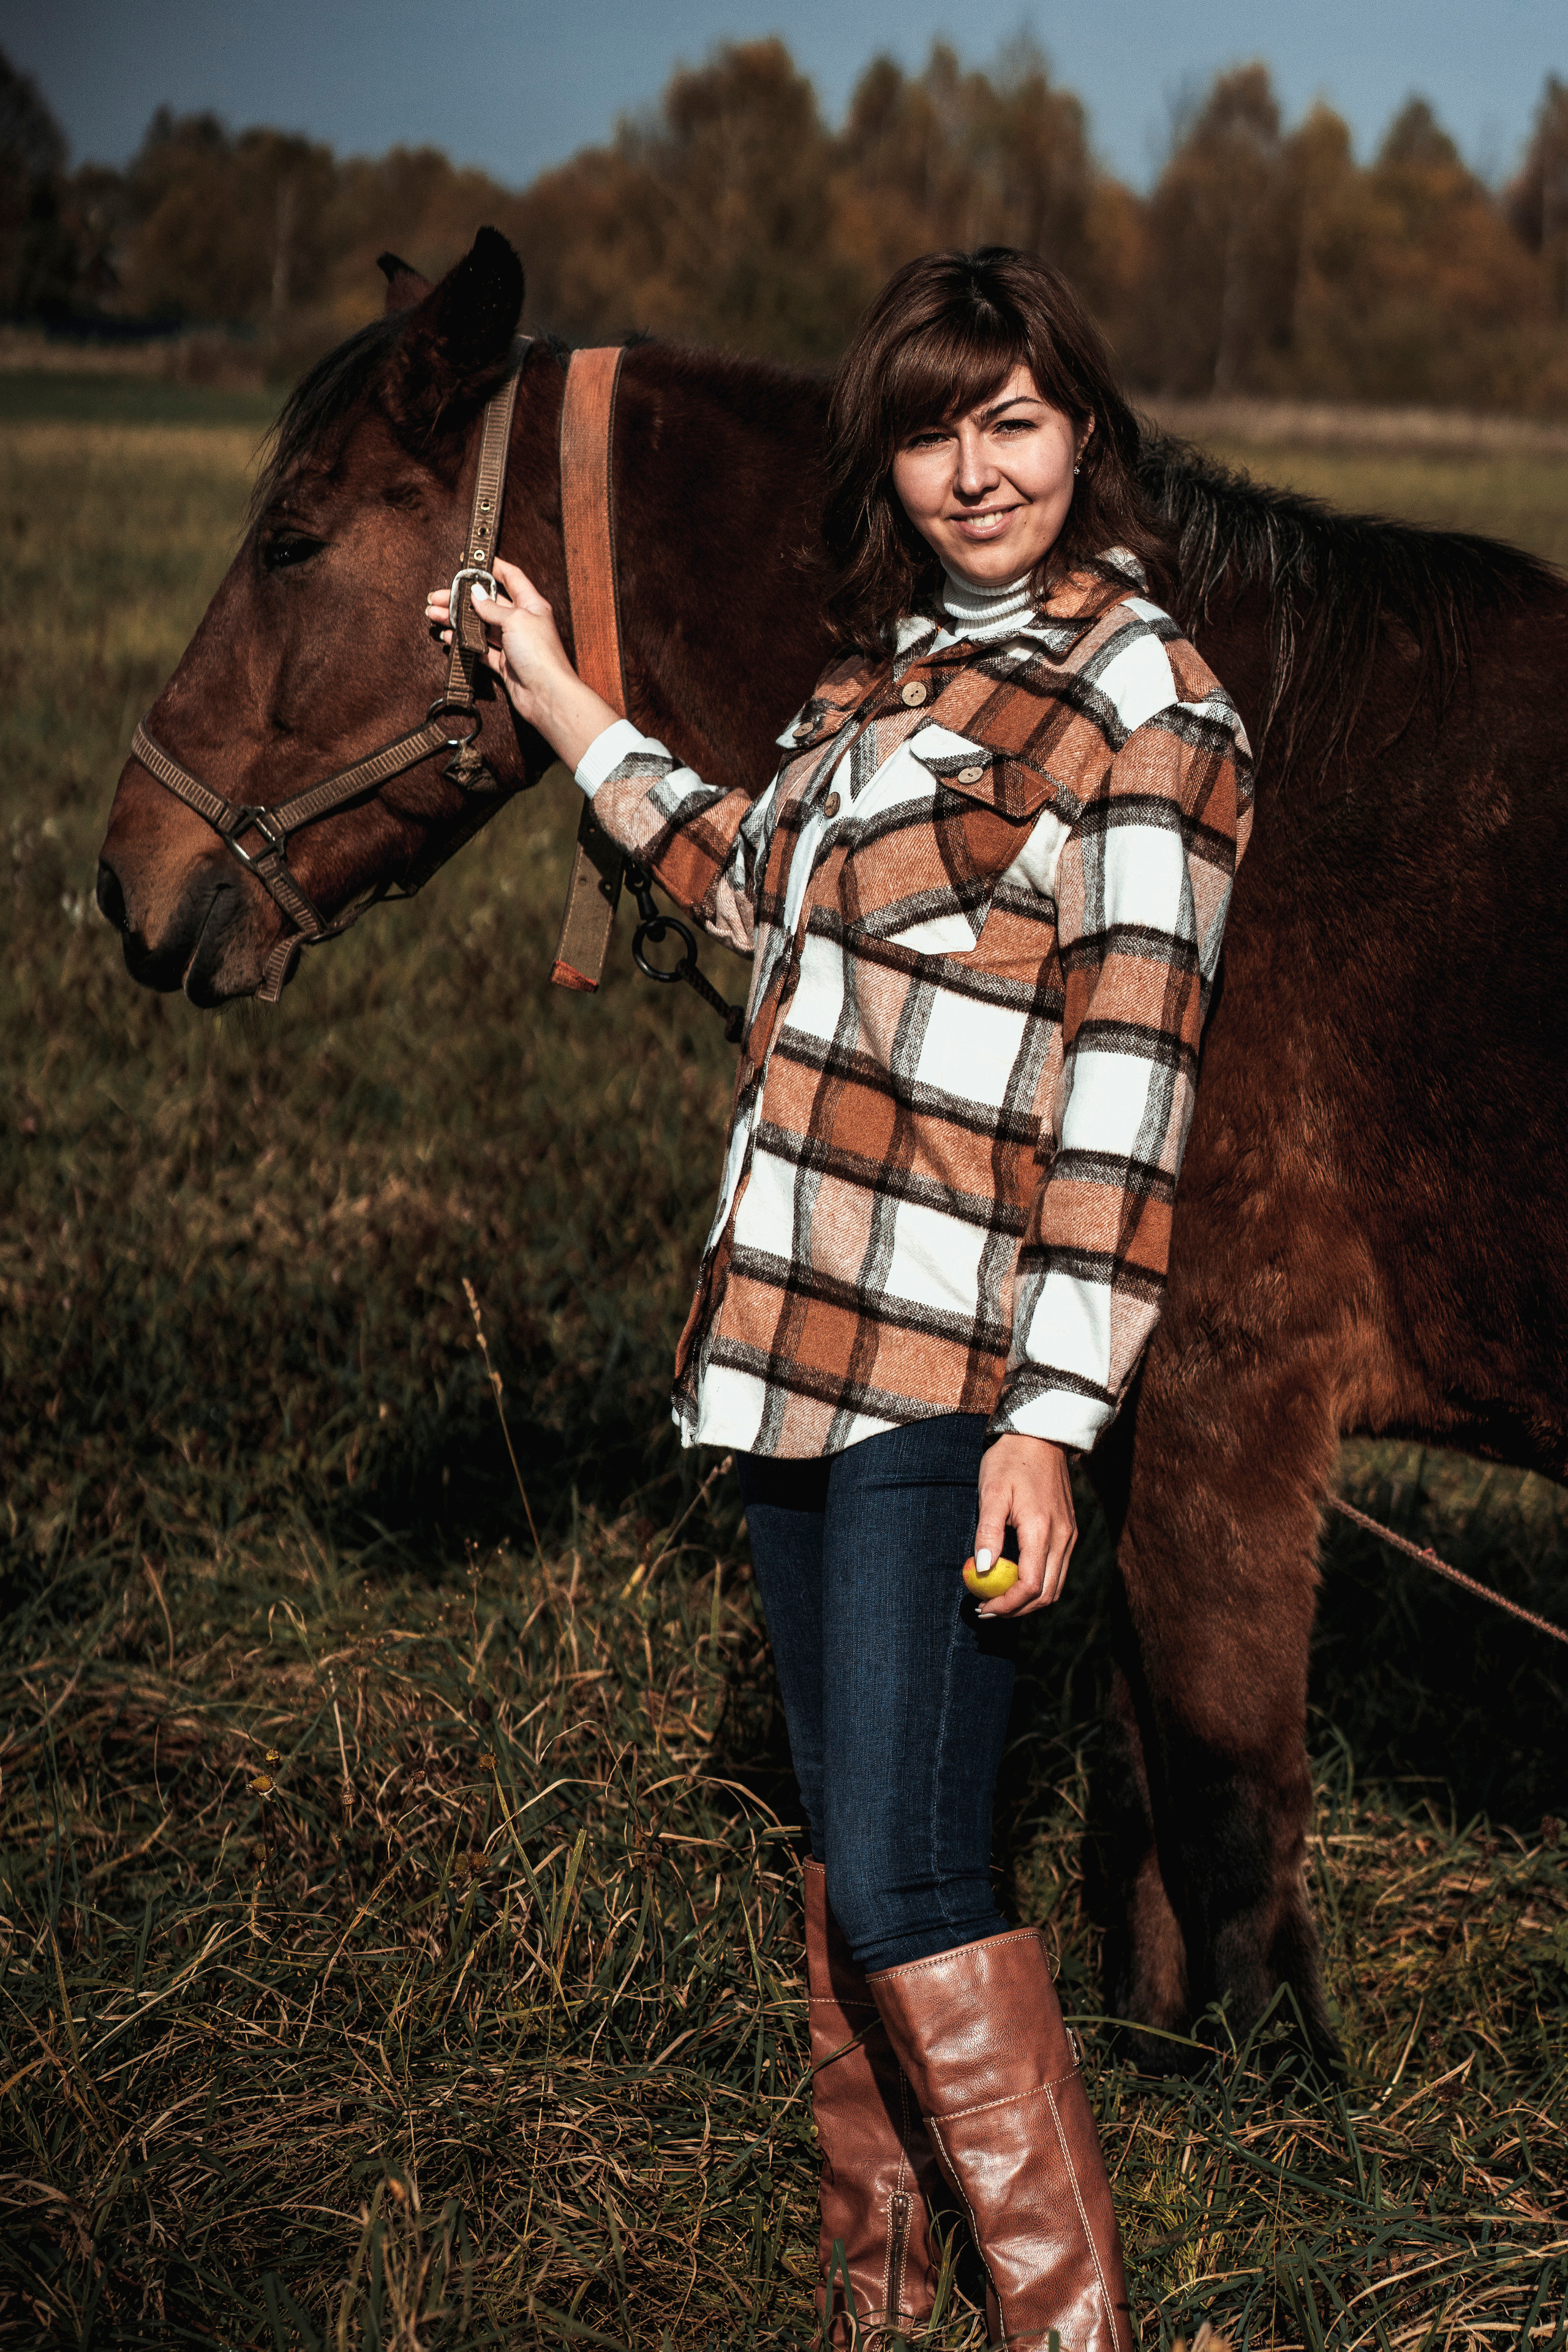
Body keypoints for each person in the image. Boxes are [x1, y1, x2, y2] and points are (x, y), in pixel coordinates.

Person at [426, 247, 1251, 2352]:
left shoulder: (1144, 702)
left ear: (1084, 432)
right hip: (785, 1351)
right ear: (884, 457)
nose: (975, 471)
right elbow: (746, 879)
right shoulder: (870, 690)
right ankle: (876, 2300)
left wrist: (1053, 1422)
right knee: (849, 1852)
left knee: (907, 1873)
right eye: (931, 430)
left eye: (1014, 423)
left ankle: (1069, 2328)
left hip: (950, 1374)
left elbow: (1131, 1089)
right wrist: (560, 696)